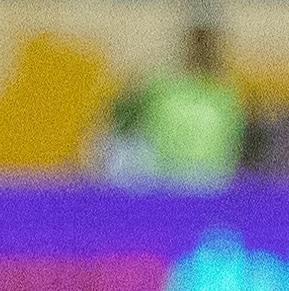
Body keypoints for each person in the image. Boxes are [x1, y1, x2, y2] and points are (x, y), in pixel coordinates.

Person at [102, 14, 248, 188]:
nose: (203, 48)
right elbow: (117, 123)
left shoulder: (227, 93)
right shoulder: (159, 85)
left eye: (209, 41)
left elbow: (238, 146)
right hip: (164, 189)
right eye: (198, 40)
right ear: (187, 42)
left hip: (212, 189)